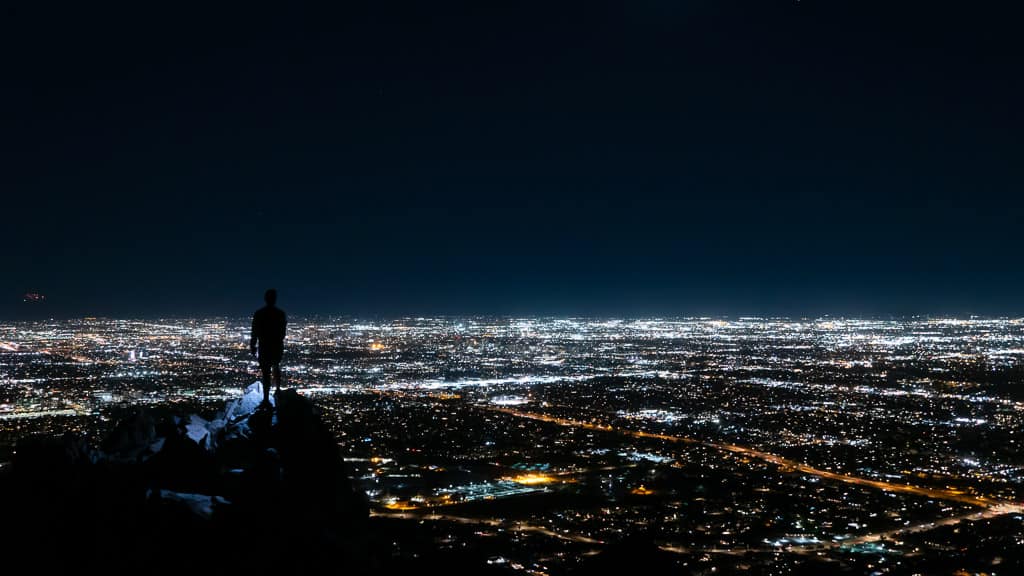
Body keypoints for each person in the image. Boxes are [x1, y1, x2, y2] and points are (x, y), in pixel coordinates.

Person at [250, 288, 287, 405]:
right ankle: (277, 390)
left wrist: (253, 345)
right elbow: (283, 332)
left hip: (264, 345)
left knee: (266, 372)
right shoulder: (280, 314)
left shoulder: (259, 313)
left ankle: (266, 398)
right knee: (276, 366)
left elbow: (254, 331)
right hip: (276, 345)